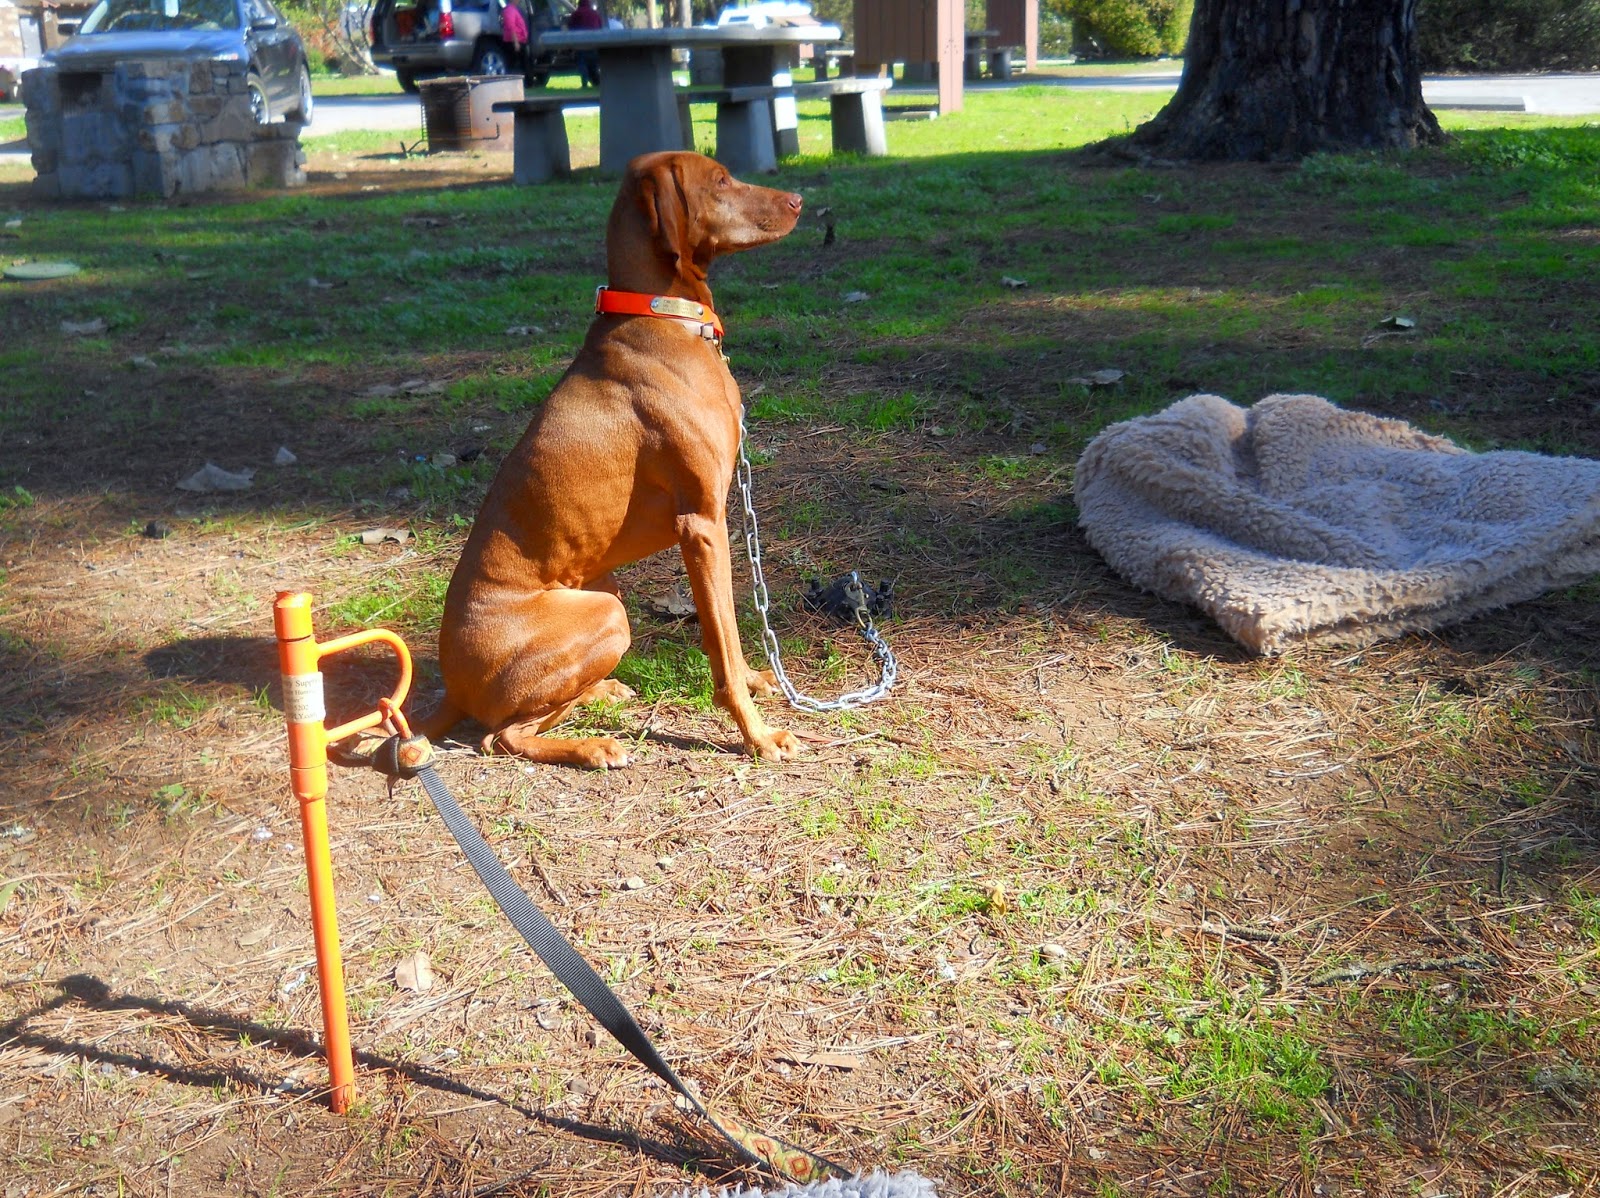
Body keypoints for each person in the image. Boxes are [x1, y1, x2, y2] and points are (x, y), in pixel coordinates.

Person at [565, 0, 603, 88]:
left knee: (582, 63)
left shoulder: (576, 14)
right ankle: (597, 82)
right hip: (594, 43)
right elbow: (600, 26)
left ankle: (585, 82)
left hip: (581, 43)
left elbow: (571, 27)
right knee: (593, 65)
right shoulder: (595, 14)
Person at [499, 0, 529, 72]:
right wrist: (516, 42)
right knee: (516, 64)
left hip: (520, 41)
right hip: (514, 42)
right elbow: (511, 26)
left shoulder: (514, 10)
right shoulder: (510, 10)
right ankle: (526, 81)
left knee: (524, 64)